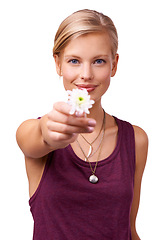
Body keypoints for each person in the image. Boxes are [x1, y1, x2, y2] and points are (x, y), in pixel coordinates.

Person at [16, 9, 148, 240]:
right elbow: (36, 139)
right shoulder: (34, 131)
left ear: (114, 65)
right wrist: (49, 132)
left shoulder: (135, 139)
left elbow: (130, 229)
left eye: (98, 61)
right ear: (58, 64)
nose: (86, 74)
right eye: (74, 61)